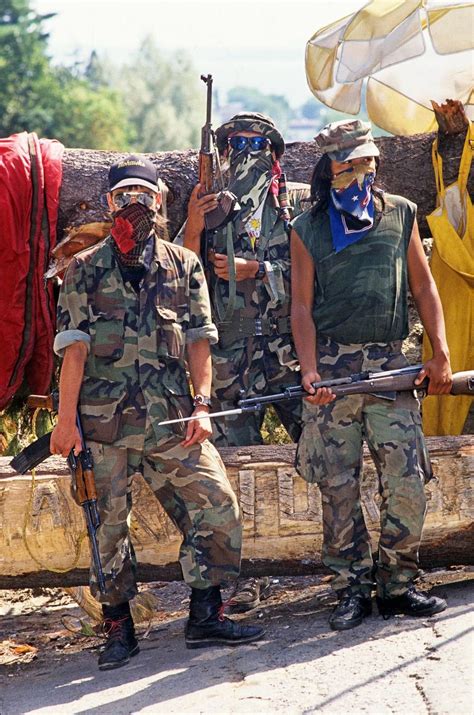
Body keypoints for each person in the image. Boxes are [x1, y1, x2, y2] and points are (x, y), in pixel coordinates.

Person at [50, 155, 264, 670]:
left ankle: (205, 614)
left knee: (218, 504)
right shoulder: (83, 269)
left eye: (144, 196)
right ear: (109, 203)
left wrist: (203, 405)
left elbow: (199, 342)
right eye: (125, 196)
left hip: (173, 421)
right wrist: (65, 421)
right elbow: (74, 349)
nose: (135, 204)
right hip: (105, 427)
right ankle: (118, 626)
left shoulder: (183, 265)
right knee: (107, 528)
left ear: (161, 201)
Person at [290, 119, 452, 631]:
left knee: (407, 484)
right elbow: (300, 307)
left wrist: (439, 354)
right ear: (329, 171)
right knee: (337, 488)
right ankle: (351, 589)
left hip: (392, 369)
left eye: (367, 161)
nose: (360, 172)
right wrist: (311, 371)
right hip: (334, 375)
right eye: (348, 164)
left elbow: (424, 290)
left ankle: (398, 585)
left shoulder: (400, 214)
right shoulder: (308, 228)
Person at [182, 112, 309, 612]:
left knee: (322, 447)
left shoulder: (294, 201)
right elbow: (182, 269)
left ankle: (344, 558)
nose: (246, 149)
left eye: (257, 142)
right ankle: (245, 578)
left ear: (273, 149)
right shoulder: (211, 204)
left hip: (288, 352)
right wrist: (194, 222)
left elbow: (315, 271)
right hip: (231, 359)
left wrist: (258, 270)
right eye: (236, 141)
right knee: (234, 470)